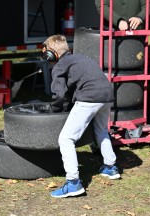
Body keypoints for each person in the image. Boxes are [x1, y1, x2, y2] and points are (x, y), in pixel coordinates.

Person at [42, 35, 121, 198]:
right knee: (101, 130)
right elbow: (72, 90)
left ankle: (73, 183)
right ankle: (110, 167)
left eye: (46, 54)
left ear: (52, 54)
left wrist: (54, 112)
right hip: (106, 95)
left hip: (89, 97)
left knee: (66, 139)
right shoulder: (79, 58)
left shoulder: (59, 66)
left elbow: (59, 95)